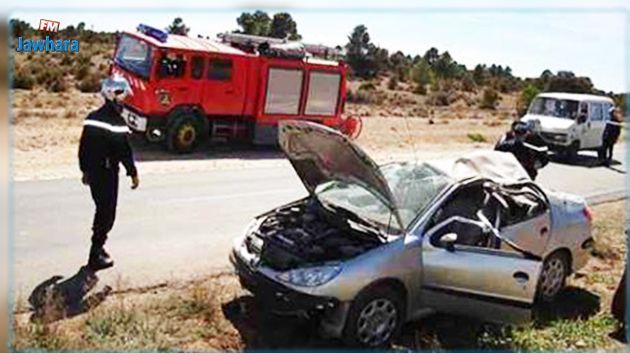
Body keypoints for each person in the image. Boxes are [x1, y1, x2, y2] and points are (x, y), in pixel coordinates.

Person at [79, 75, 140, 271]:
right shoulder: (116, 122)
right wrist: (133, 173)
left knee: (100, 209)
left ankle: (98, 248)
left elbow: (83, 148)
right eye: (122, 96)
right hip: (107, 173)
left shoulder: (92, 118)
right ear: (114, 95)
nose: (124, 101)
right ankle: (95, 253)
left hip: (94, 172)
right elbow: (124, 151)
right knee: (106, 213)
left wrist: (85, 170)